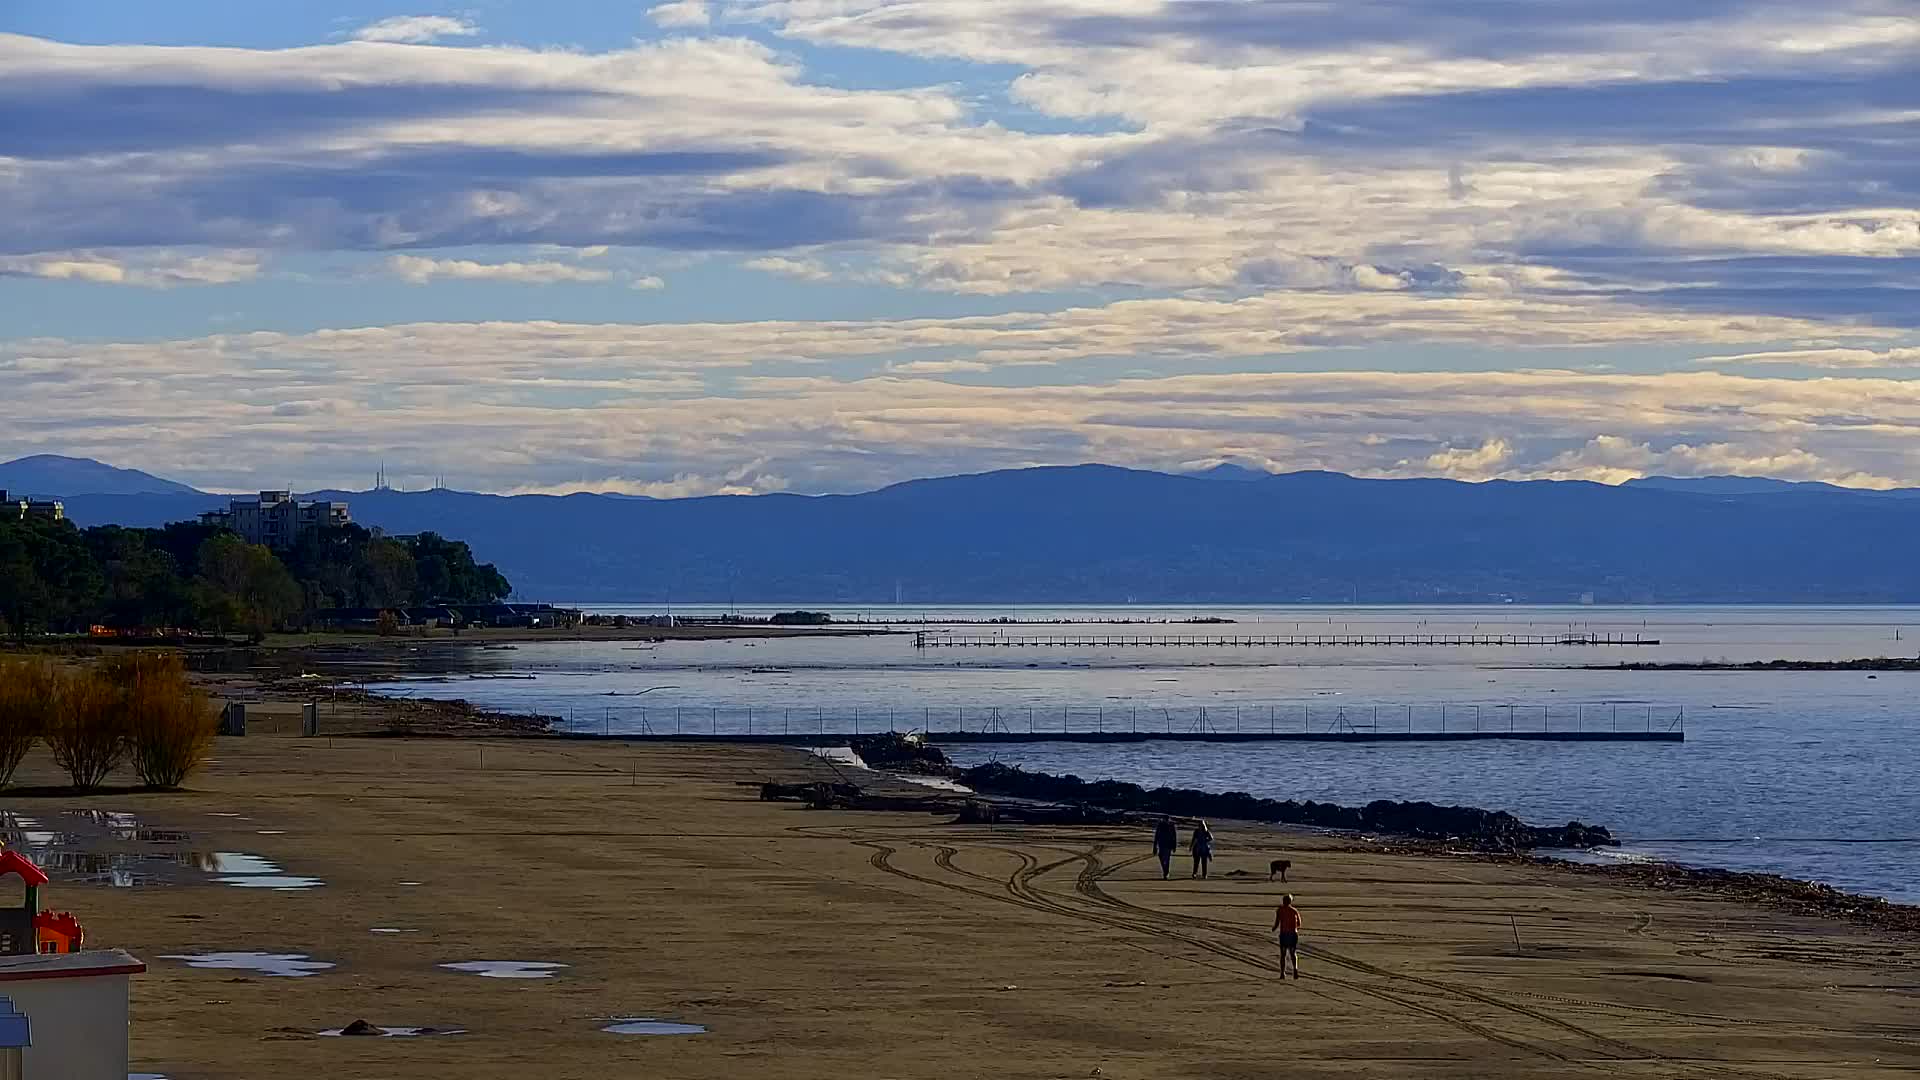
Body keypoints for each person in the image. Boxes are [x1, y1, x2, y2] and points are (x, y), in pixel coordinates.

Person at [1273, 894, 1302, 978]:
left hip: (1284, 934)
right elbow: (1299, 924)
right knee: (1292, 953)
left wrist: (1274, 928)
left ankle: (1282, 973)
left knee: (1283, 954)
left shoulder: (1280, 910)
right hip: (1292, 934)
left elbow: (1277, 922)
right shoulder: (1294, 911)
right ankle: (1295, 969)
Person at [1152, 815, 1179, 880]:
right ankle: (1165, 870)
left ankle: (1166, 873)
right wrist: (1155, 846)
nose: (1166, 821)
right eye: (1165, 819)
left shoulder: (1171, 825)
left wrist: (1174, 846)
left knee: (1167, 859)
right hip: (1161, 844)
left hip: (1168, 845)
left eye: (1167, 819)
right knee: (1161, 857)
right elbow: (1156, 835)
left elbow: (1174, 836)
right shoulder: (1160, 825)